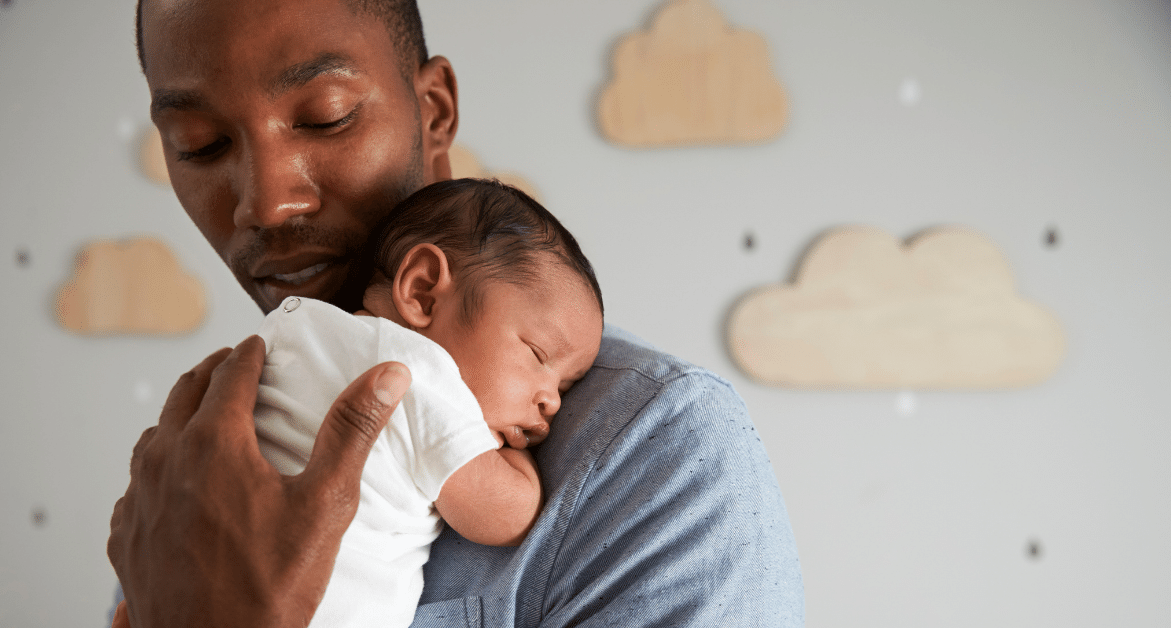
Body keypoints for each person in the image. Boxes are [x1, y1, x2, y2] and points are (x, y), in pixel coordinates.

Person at [108, 0, 806, 626]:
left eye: (326, 116)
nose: (265, 203)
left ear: (434, 111)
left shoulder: (655, 452)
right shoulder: (202, 446)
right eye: (198, 144)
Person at [253, 178, 603, 627]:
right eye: (537, 354)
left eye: (566, 387)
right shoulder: (418, 373)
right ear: (422, 291)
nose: (552, 400)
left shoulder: (293, 328)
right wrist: (517, 462)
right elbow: (508, 517)